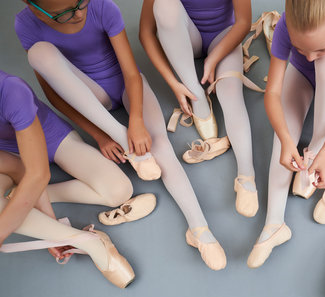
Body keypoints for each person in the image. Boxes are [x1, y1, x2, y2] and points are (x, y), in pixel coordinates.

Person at [15, 0, 226, 270]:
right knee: (39, 54)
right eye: (63, 13)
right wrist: (101, 136)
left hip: (128, 84)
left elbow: (130, 73)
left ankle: (199, 230)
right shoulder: (26, 25)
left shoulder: (102, 7)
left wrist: (136, 120)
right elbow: (55, 94)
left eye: (80, 3)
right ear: (33, 8)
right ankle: (124, 138)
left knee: (159, 146)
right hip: (88, 96)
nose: (78, 13)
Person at [247, 0, 325, 268]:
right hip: (299, 77)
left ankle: (315, 152)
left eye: (318, 47)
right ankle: (274, 224)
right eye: (301, 48)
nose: (309, 56)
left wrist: (324, 153)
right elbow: (273, 93)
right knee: (283, 136)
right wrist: (286, 139)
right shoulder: (287, 25)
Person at [0, 69, 134, 288]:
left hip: (52, 138)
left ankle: (22, 199)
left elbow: (37, 174)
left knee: (119, 190)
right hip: (9, 155)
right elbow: (17, 168)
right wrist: (55, 235)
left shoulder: (10, 89)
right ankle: (93, 244)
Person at [139, 0, 259, 218]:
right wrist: (174, 83)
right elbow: (146, 32)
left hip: (224, 35)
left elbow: (243, 23)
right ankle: (196, 95)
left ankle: (246, 176)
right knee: (164, 4)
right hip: (185, 35)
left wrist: (214, 58)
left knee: (231, 93)